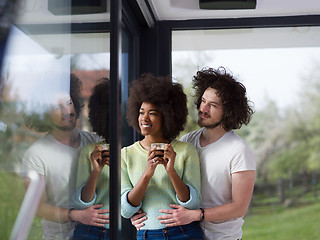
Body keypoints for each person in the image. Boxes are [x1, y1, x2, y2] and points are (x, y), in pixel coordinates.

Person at [132, 67, 256, 240]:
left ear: (228, 112)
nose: (203, 108)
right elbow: (167, 184)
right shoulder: (188, 141)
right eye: (203, 101)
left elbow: (239, 208)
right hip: (185, 235)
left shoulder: (239, 150)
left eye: (212, 105)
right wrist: (137, 214)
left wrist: (196, 215)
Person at [22, 74, 107, 240]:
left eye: (69, 103)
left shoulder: (95, 141)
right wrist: (77, 215)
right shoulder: (36, 155)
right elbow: (37, 207)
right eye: (57, 107)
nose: (67, 111)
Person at [121, 73, 203, 239]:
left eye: (152, 113)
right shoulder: (126, 154)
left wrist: (171, 171)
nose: (144, 118)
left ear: (167, 115)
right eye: (141, 112)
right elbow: (125, 210)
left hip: (184, 233)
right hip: (147, 235)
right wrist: (147, 173)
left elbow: (194, 203)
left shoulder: (186, 151)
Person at [73, 78, 111, 239]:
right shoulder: (91, 151)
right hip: (94, 231)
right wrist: (95, 172)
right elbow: (82, 201)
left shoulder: (140, 150)